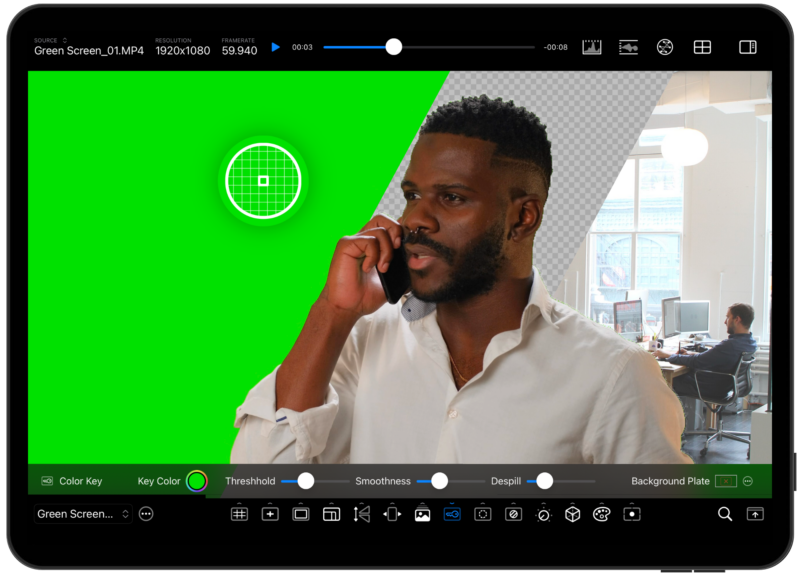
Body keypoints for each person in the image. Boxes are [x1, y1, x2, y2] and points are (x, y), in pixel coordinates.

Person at [230, 95, 691, 465]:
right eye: (412, 195)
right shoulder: (364, 341)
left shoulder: (614, 374)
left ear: (523, 218)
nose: (415, 219)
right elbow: (258, 474)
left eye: (451, 197)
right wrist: (333, 313)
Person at [653, 303, 758, 401]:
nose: (725, 322)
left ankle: (666, 419)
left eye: (728, 317)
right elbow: (711, 357)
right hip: (722, 387)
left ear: (737, 319)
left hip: (708, 387)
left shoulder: (730, 345)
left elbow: (698, 361)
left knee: (658, 378)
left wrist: (668, 355)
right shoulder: (750, 343)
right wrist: (690, 353)